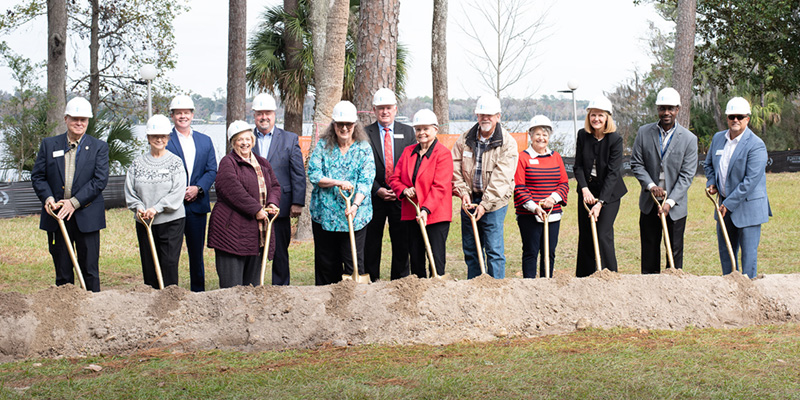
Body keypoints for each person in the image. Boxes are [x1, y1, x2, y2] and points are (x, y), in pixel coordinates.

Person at [31, 97, 109, 292]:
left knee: (89, 270)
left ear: (88, 121)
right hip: (57, 218)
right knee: (63, 272)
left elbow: (99, 181)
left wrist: (73, 203)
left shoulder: (99, 147)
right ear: (66, 118)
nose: (79, 123)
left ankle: (92, 310)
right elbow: (38, 176)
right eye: (75, 119)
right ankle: (66, 315)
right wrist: (48, 199)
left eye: (83, 119)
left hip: (87, 217)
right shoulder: (49, 145)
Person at [308, 101, 376, 285]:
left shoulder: (363, 148)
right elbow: (314, 174)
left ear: (355, 125)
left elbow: (366, 180)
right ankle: (326, 302)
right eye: (340, 124)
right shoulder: (323, 146)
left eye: (348, 124)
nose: (344, 128)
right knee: (326, 263)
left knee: (353, 260)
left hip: (354, 215)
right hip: (325, 215)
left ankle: (354, 303)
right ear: (333, 125)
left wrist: (355, 205)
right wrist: (338, 182)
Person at [631, 88, 698, 273]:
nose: (666, 113)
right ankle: (650, 289)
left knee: (674, 252)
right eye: (662, 108)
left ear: (678, 109)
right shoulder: (644, 133)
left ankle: (674, 289)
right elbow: (636, 163)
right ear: (657, 109)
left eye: (670, 108)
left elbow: (687, 175)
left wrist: (669, 202)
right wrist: (651, 186)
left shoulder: (689, 139)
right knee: (649, 250)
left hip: (675, 206)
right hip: (649, 203)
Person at [703, 97, 771, 279]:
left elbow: (750, 181)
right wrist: (712, 182)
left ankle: (748, 295)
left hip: (748, 208)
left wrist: (728, 204)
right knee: (726, 254)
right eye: (732, 116)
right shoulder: (718, 139)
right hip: (724, 207)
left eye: (740, 116)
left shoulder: (756, 145)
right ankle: (729, 289)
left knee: (748, 258)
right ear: (727, 118)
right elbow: (708, 165)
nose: (735, 120)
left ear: (747, 119)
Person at [207, 121, 280, 288]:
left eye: (248, 139)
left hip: (256, 233)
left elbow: (275, 186)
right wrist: (256, 210)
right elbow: (231, 189)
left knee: (252, 286)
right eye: (240, 139)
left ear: (253, 141)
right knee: (232, 286)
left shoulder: (263, 163)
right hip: (231, 231)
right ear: (233, 142)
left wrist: (272, 203)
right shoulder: (228, 162)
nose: (245, 143)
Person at [452, 94, 518, 279]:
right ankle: (474, 287)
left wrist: (485, 204)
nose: (485, 118)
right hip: (470, 200)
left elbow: (502, 179)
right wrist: (463, 193)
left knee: (494, 250)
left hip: (495, 203)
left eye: (490, 115)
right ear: (477, 116)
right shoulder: (465, 139)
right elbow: (455, 166)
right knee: (471, 249)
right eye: (482, 114)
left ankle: (496, 291)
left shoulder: (507, 143)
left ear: (498, 116)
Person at [387, 109, 453, 278]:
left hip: (435, 215)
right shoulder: (408, 152)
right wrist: (403, 190)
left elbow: (440, 186)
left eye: (426, 128)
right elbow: (394, 178)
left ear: (435, 129)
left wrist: (425, 209)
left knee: (436, 259)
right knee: (416, 258)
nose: (422, 133)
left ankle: (437, 292)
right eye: (418, 129)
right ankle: (419, 294)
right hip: (412, 213)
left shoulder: (443, 154)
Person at [124, 115, 187, 289]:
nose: (159, 139)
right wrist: (139, 207)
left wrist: (157, 208)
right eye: (154, 136)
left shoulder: (176, 163)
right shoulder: (137, 163)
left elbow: (178, 191)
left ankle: (169, 301)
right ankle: (151, 302)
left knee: (168, 264)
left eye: (163, 136)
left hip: (171, 221)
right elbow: (130, 191)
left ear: (168, 138)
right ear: (148, 138)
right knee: (149, 264)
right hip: (145, 222)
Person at [250, 93, 306, 285]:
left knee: (281, 250)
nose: (263, 117)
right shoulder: (246, 139)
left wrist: (297, 202)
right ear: (255, 115)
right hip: (253, 206)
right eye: (259, 113)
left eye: (267, 113)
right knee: (254, 249)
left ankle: (281, 288)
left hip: (281, 205)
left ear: (275, 114)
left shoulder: (289, 139)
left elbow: (298, 172)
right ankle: (255, 284)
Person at [165, 94, 218, 292]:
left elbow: (212, 169)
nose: (183, 116)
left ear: (192, 114)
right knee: (171, 254)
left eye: (186, 112)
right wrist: (179, 192)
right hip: (172, 207)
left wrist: (198, 188)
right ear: (172, 116)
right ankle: (170, 291)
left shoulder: (205, 141)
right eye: (178, 113)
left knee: (197, 254)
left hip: (197, 206)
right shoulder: (165, 140)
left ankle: (198, 292)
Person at [364, 88, 416, 281]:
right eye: (380, 108)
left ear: (395, 109)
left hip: (400, 197)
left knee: (402, 241)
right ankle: (372, 279)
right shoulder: (364, 133)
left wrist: (400, 189)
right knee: (371, 241)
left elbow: (412, 165)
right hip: (374, 196)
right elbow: (361, 167)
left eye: (388, 108)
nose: (384, 112)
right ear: (374, 110)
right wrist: (377, 190)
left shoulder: (408, 132)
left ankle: (400, 280)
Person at [573, 96, 627, 277]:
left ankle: (610, 275)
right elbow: (578, 166)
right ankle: (584, 278)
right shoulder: (582, 135)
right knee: (586, 235)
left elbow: (613, 173)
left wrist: (600, 202)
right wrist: (584, 189)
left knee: (603, 234)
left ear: (607, 118)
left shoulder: (615, 139)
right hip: (587, 191)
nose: (596, 119)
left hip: (609, 194)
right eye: (593, 115)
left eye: (600, 116)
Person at [513, 115, 569, 278]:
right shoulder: (522, 157)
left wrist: (553, 198)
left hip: (553, 213)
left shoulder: (556, 157)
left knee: (549, 253)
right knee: (531, 251)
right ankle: (529, 286)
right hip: (529, 214)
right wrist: (534, 207)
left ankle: (547, 285)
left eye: (545, 134)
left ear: (549, 137)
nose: (541, 138)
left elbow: (564, 183)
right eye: (537, 134)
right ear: (530, 135)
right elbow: (519, 187)